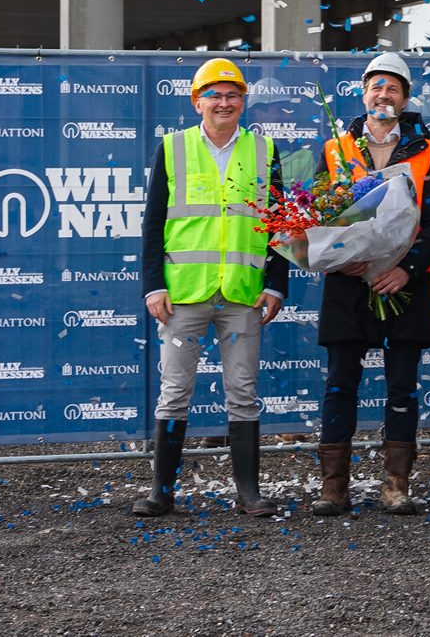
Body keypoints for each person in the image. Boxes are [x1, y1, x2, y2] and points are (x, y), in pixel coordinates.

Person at [136, 59, 287, 517]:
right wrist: (153, 286)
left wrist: (276, 285)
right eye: (215, 95)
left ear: (243, 101)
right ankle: (162, 492)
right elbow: (153, 224)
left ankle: (248, 492)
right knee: (174, 390)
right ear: (197, 101)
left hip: (242, 293)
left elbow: (280, 223)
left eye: (233, 95)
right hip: (184, 294)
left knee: (242, 390)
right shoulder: (173, 148)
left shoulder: (264, 150)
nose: (224, 103)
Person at [310, 53, 430, 516]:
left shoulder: (426, 151)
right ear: (363, 94)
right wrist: (338, 258)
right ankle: (334, 488)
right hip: (348, 283)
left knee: (402, 387)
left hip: (403, 284)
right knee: (339, 386)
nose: (383, 95)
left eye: (392, 88)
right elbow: (314, 217)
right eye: (376, 87)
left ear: (405, 99)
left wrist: (405, 268)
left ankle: (396, 486)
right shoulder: (334, 148)